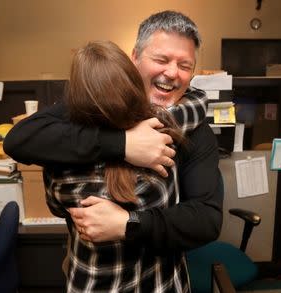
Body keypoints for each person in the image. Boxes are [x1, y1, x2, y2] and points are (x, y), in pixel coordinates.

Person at [4, 10, 222, 253]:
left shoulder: (196, 128)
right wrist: (122, 144)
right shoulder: (97, 104)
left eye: (184, 65)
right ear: (135, 58)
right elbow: (20, 139)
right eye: (161, 60)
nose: (172, 73)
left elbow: (207, 220)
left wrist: (129, 224)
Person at [46, 39, 210, 292]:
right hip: (161, 285)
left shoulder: (57, 156)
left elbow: (56, 208)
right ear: (132, 82)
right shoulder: (163, 135)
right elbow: (197, 105)